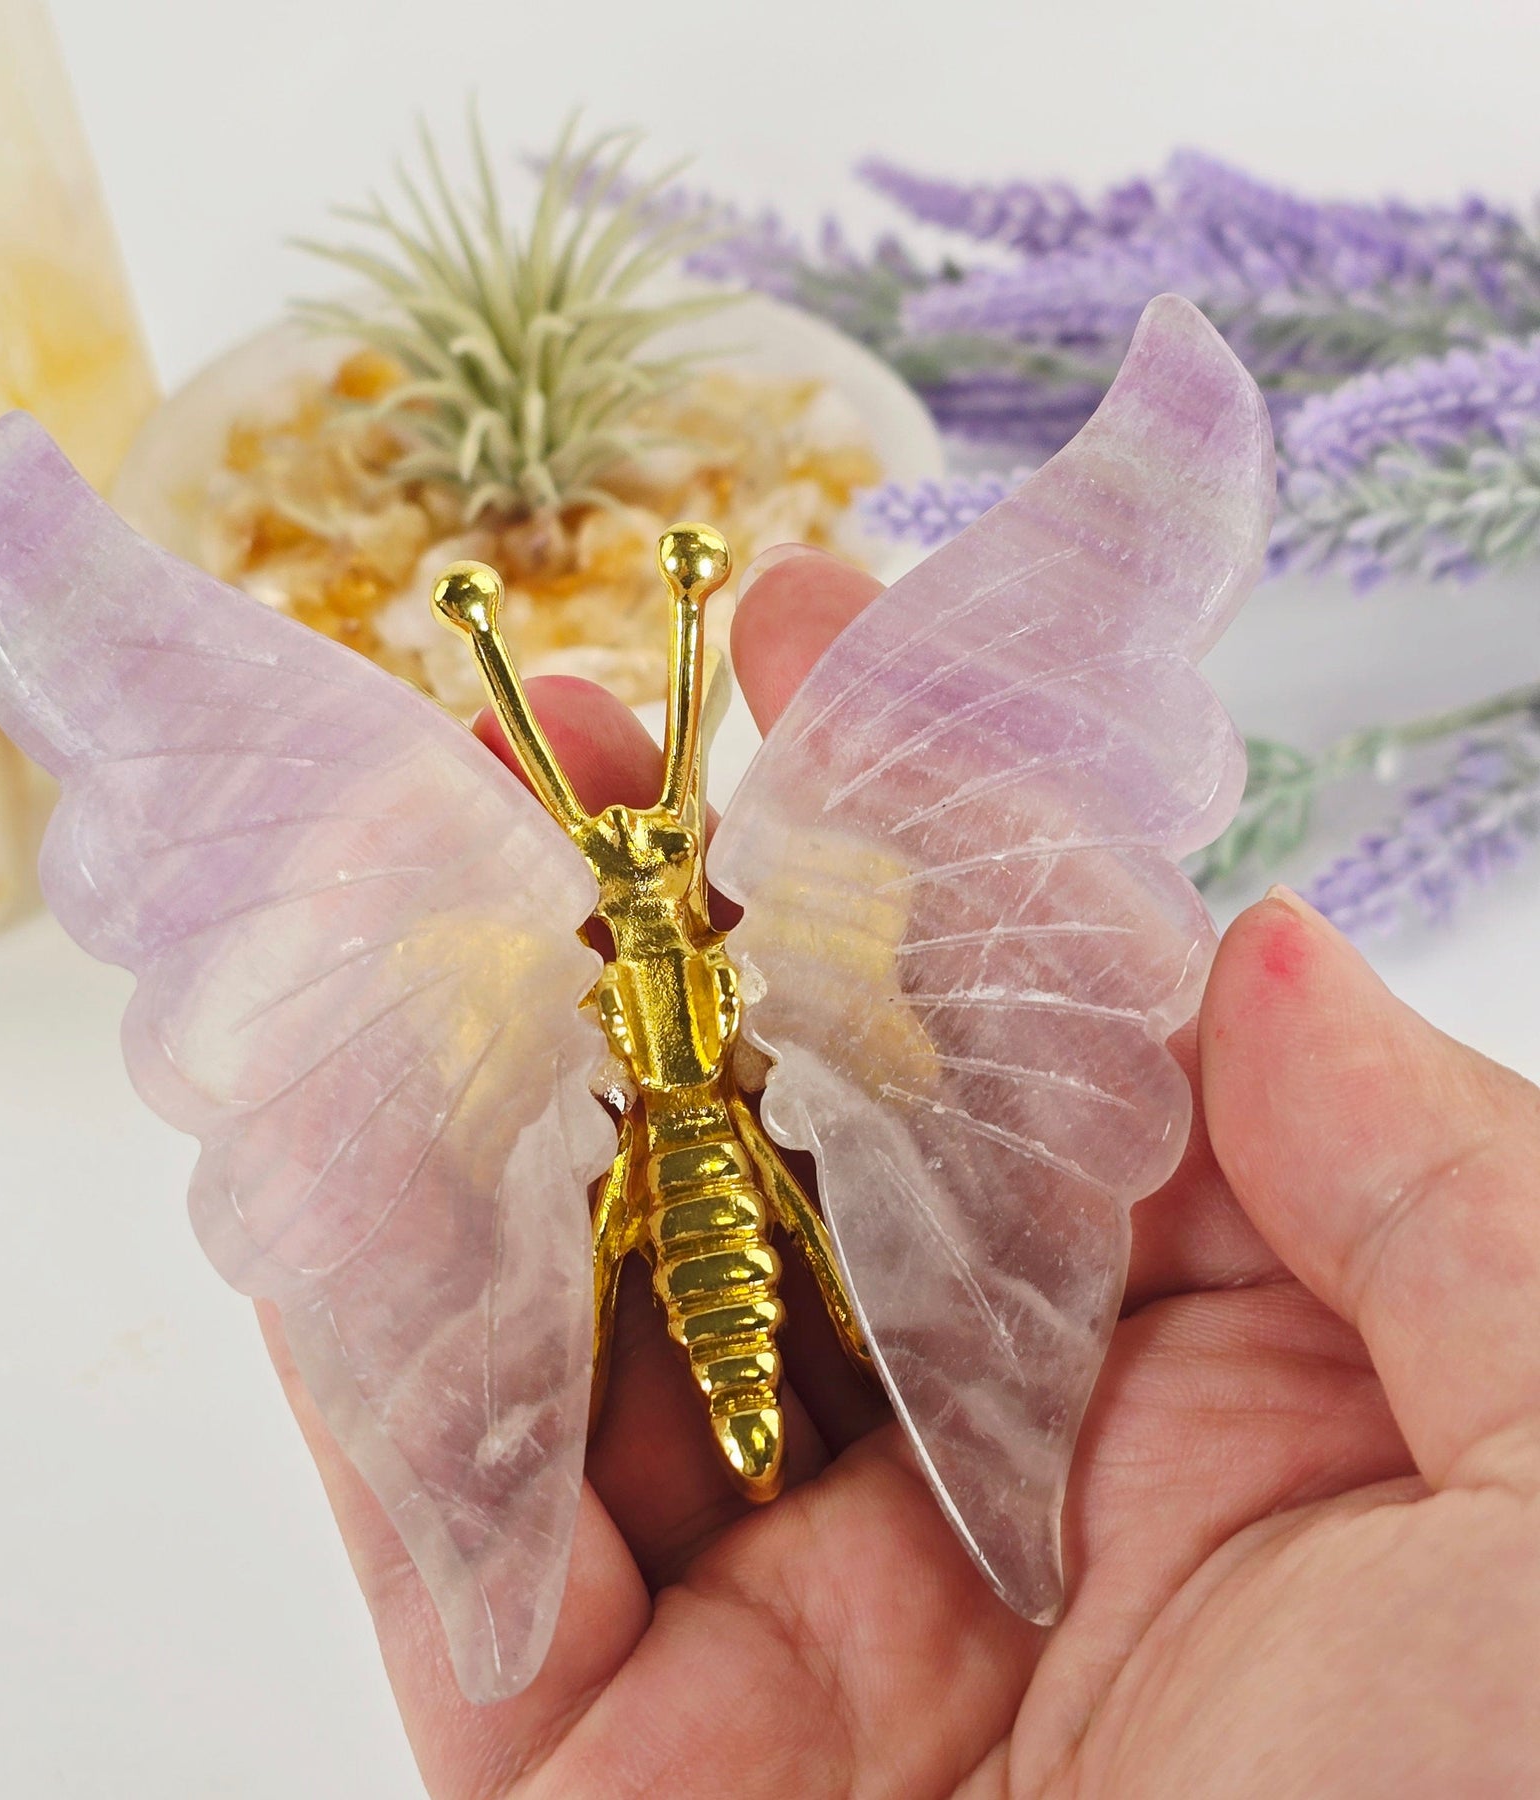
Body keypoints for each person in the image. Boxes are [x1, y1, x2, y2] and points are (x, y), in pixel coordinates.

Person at [258, 546, 1540, 1798]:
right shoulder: (696, 959)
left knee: (707, 1276)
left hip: (704, 1169)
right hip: (695, 1163)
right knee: (650, 1288)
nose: (649, 873)